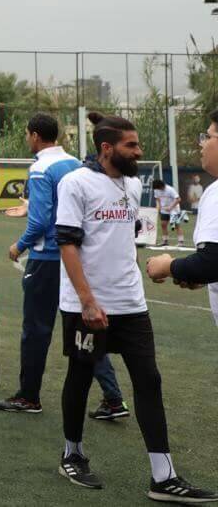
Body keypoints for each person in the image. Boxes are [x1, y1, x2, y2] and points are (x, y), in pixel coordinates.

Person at [54, 112, 215, 502]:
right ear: (107, 148)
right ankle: (72, 454)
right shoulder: (75, 182)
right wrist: (88, 301)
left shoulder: (129, 182)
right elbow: (67, 244)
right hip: (86, 306)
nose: (139, 152)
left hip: (131, 303)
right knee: (80, 374)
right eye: (131, 146)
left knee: (149, 381)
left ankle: (163, 476)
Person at [0, 114, 127, 420]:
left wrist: (19, 246)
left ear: (36, 136)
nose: (27, 138)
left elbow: (40, 222)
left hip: (46, 259)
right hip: (75, 258)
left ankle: (29, 397)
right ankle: (113, 397)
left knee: (36, 330)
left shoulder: (40, 169)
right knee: (84, 327)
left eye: (27, 133)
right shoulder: (75, 164)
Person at [146, 112, 218, 317]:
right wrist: (196, 274)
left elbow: (212, 262)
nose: (201, 144)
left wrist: (168, 266)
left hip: (176, 211)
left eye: (208, 136)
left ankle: (175, 240)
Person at [152, 178, 186, 247]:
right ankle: (165, 241)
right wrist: (158, 207)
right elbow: (157, 199)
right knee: (163, 224)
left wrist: (170, 207)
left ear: (161, 186)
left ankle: (181, 242)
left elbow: (178, 199)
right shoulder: (156, 190)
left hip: (174, 210)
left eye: (159, 188)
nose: (158, 190)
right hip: (164, 210)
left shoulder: (170, 189)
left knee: (176, 225)